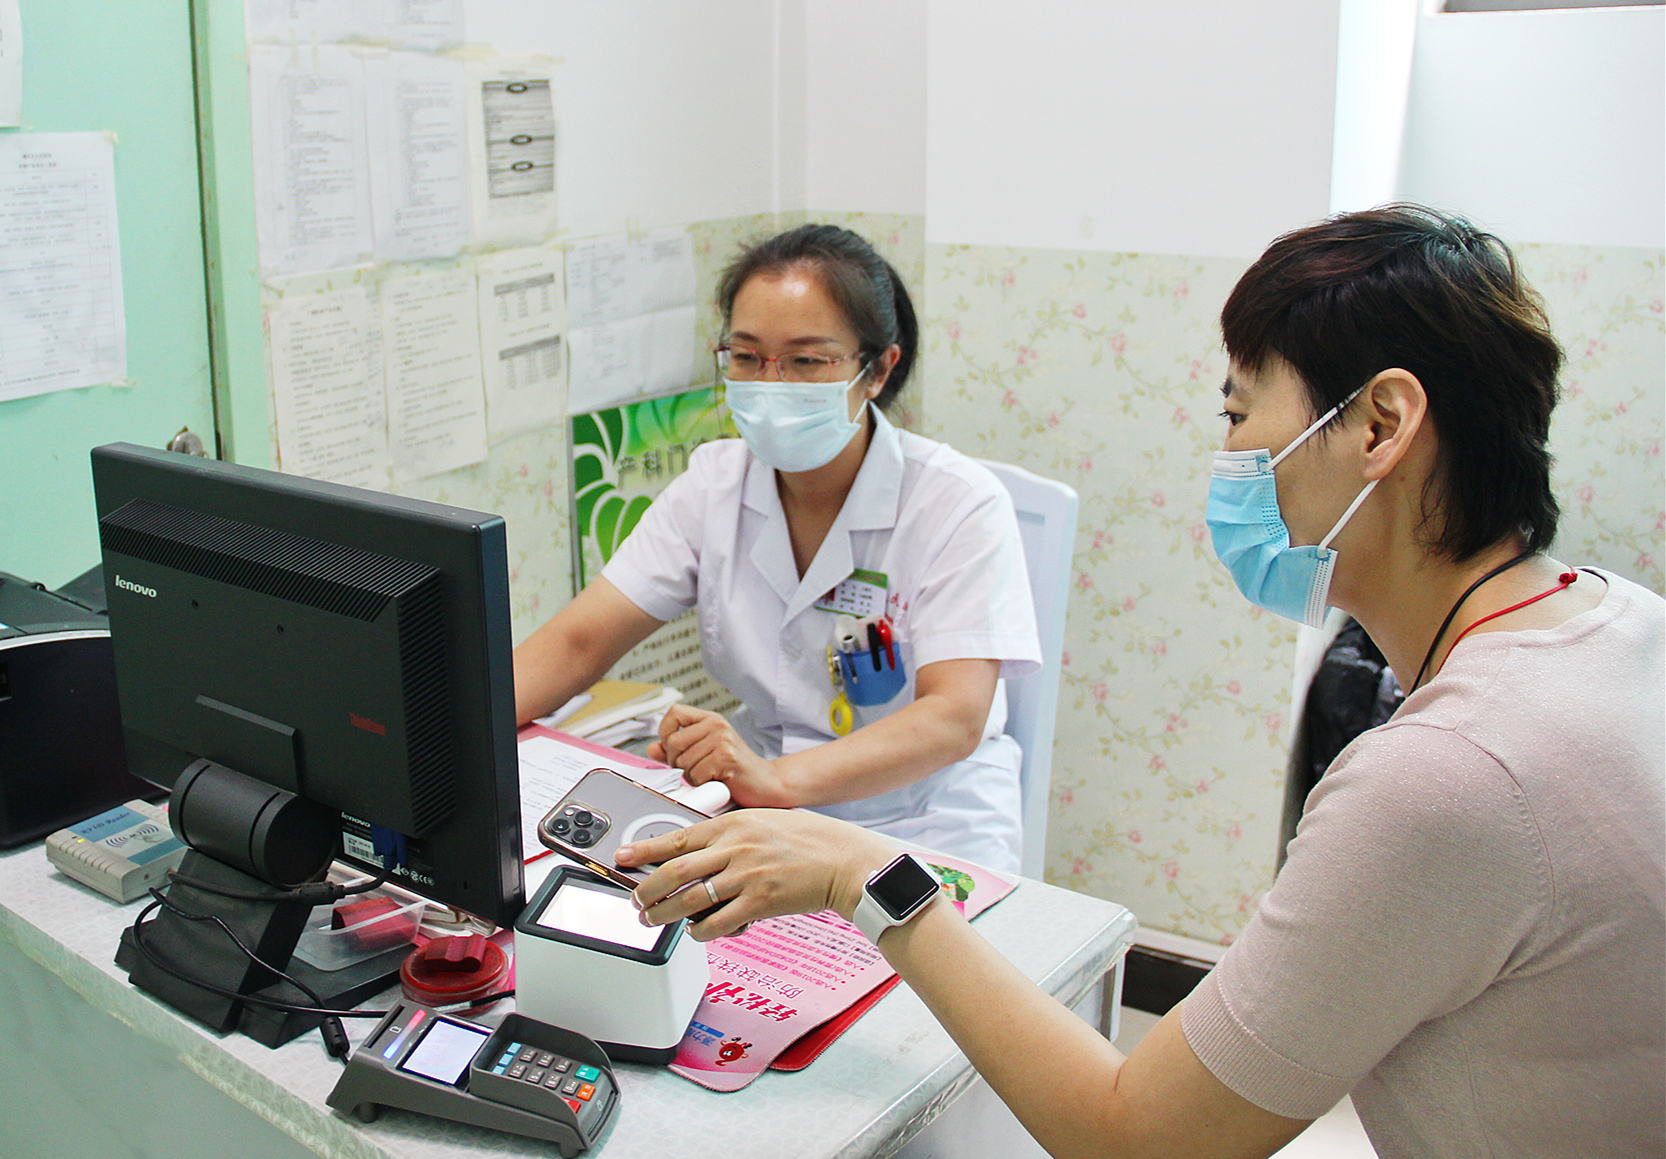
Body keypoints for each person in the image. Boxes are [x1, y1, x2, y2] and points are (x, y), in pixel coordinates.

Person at [618, 206, 1666, 1157]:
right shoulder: (1624, 624)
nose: (1230, 456)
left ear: (1380, 427)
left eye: (1239, 415)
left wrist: (864, 876)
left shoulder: (1440, 780)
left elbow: (1141, 1139)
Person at [514, 224, 1041, 872]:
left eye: (806, 361)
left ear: (878, 369)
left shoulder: (957, 504)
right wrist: (453, 737)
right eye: (746, 356)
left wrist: (777, 780)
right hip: (762, 809)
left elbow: (952, 718)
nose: (771, 384)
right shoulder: (714, 484)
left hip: (922, 819)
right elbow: (579, 643)